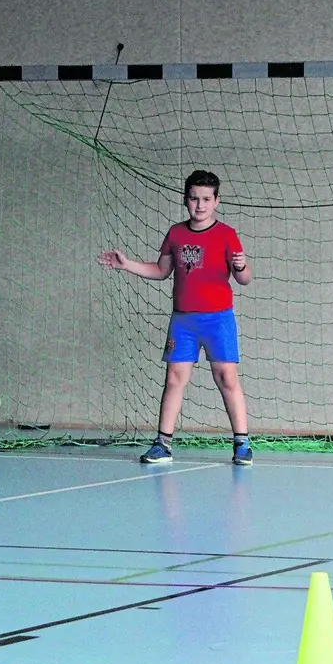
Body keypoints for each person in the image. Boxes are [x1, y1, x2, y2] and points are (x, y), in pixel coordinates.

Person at [97, 169, 254, 466]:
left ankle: (242, 443)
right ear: (186, 200)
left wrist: (243, 265)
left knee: (227, 377)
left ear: (216, 201)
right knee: (174, 378)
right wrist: (126, 264)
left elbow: (243, 279)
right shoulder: (176, 233)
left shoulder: (226, 235)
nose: (200, 205)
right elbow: (161, 270)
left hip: (218, 320)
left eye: (206, 199)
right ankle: (163, 444)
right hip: (183, 322)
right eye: (194, 198)